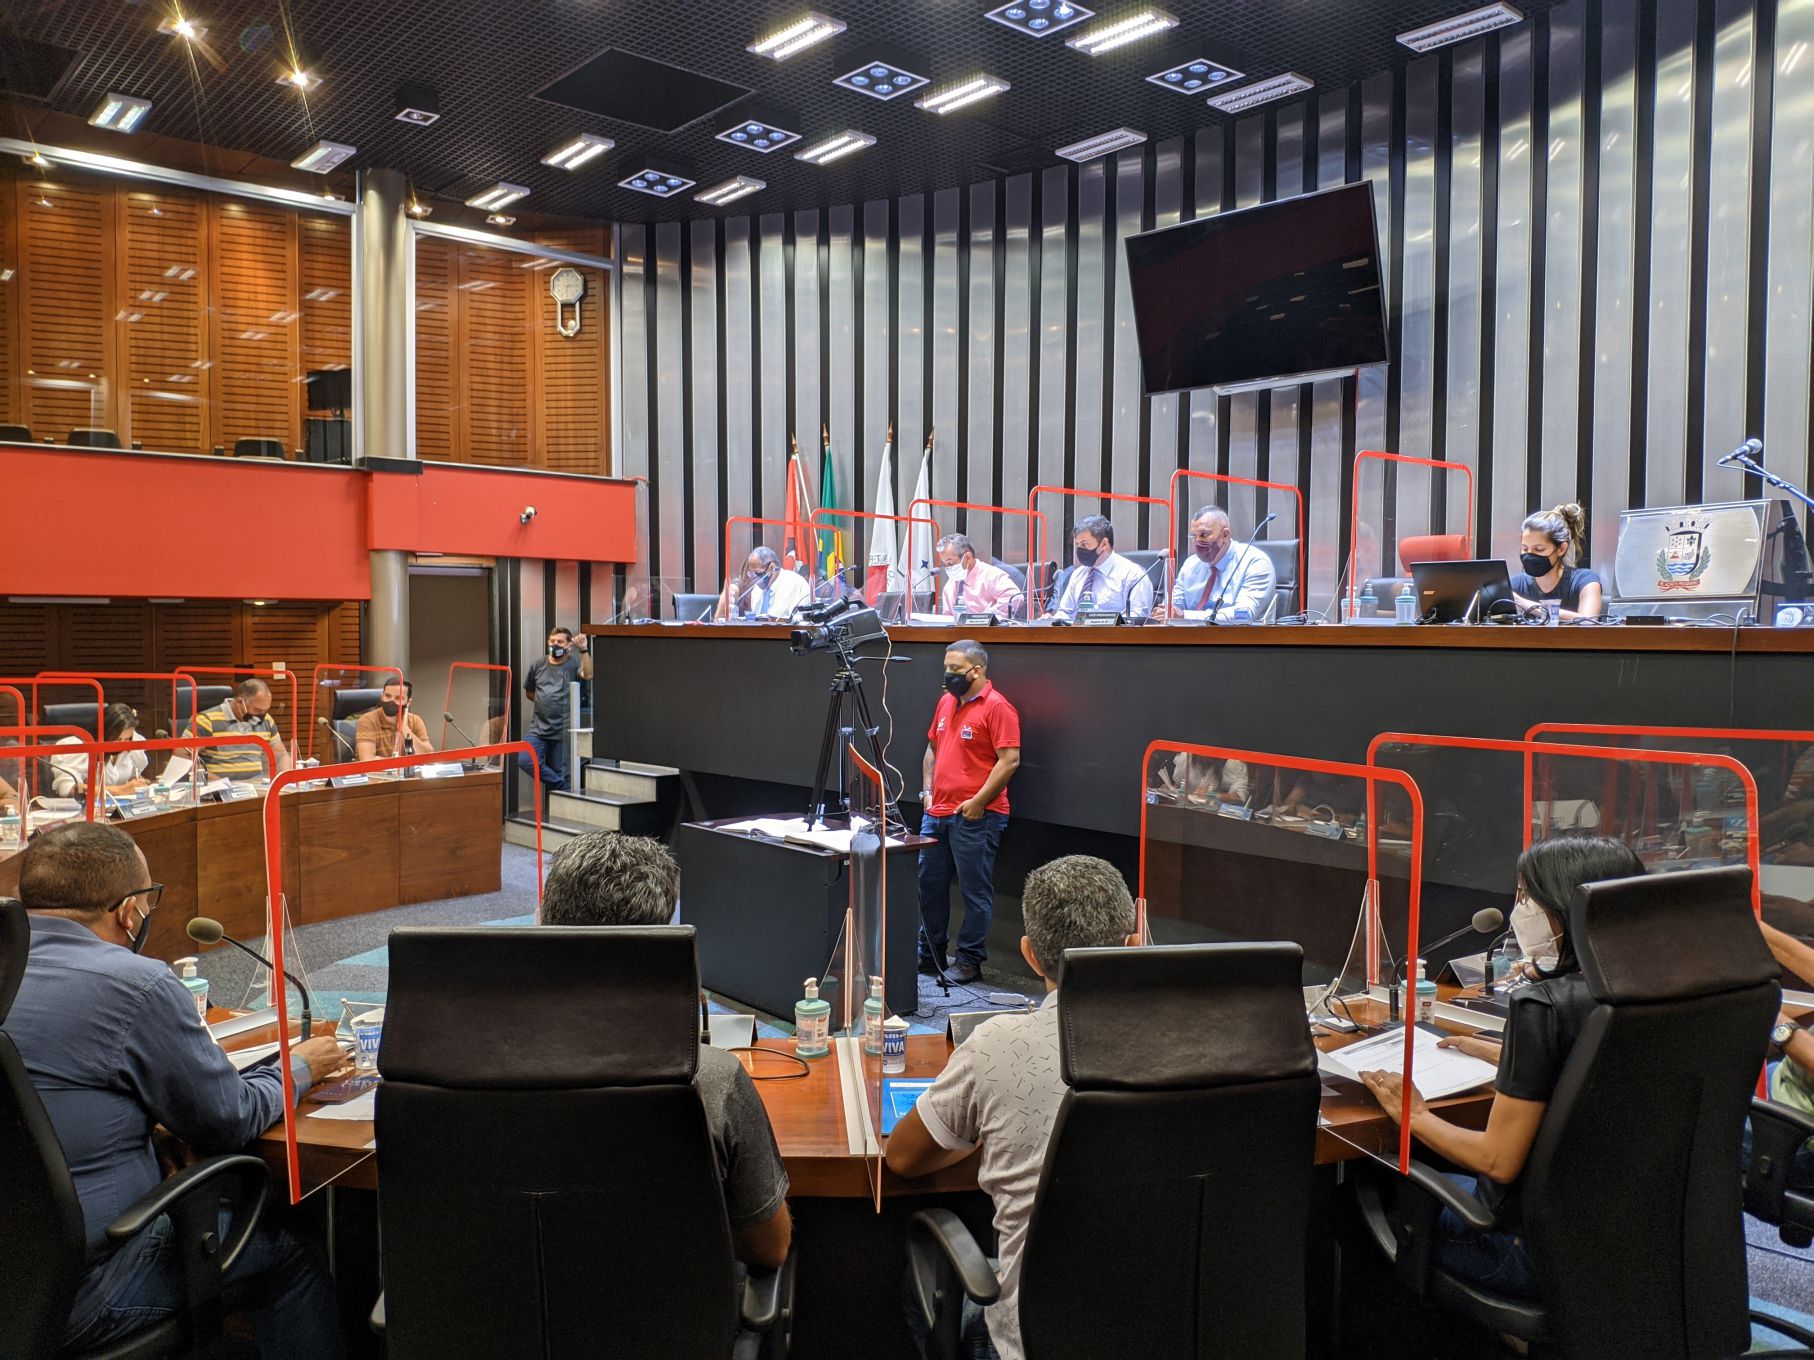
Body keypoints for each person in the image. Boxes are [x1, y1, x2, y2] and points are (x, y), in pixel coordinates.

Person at [6, 822, 348, 1356]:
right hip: (81, 1289)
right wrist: (297, 1068)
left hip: (13, 1276)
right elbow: (228, 1120)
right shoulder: (133, 984)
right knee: (292, 1253)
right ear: (129, 912)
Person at [1358, 835, 1648, 1298]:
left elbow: (1498, 1160)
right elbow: (1606, 1070)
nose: (1519, 909)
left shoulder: (1544, 1005)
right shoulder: (1661, 988)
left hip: (1526, 1250)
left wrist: (1413, 1114)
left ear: (1567, 906)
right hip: (1638, 1239)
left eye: (1527, 896)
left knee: (1360, 1195)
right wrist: (1508, 1055)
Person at [886, 854, 1140, 1360]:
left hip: (1033, 1343)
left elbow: (903, 1157)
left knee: (922, 1287)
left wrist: (991, 1143)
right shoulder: (1201, 1049)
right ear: (1134, 944)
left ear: (1030, 955)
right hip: (1182, 1328)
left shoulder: (996, 1046)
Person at [539, 829, 792, 1269]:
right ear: (661, 945)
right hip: (671, 1310)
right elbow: (768, 1248)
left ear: (543, 924)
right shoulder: (712, 1079)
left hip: (502, 1305)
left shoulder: (460, 1068)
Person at [918, 640, 1022, 985]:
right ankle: (930, 955)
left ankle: (969, 961)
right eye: (946, 668)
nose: (948, 675)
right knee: (928, 886)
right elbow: (932, 749)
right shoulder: (946, 702)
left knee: (974, 892)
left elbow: (1010, 761)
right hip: (936, 813)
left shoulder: (998, 707)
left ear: (976, 670)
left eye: (955, 669)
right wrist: (927, 791)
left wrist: (978, 802)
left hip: (978, 816)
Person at [1754, 919, 1814, 1190]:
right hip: (1788, 1086)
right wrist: (1749, 924)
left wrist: (1773, 1017)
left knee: (1689, 1129)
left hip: (1798, 1136)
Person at [1160, 506, 1277, 621]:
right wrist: (1166, 611)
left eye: (1204, 535)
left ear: (1225, 535)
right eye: (1194, 536)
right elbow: (1174, 606)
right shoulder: (1190, 564)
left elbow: (1244, 614)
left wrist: (1186, 616)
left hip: (1241, 633)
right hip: (1188, 633)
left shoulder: (1255, 562)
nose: (1197, 541)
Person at [518, 626, 591, 792]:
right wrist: (544, 701)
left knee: (561, 771)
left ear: (569, 645)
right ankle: (564, 787)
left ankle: (563, 797)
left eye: (560, 642)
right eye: (552, 641)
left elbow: (588, 674)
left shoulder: (573, 663)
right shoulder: (538, 664)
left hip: (563, 731)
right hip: (538, 729)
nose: (555, 644)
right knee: (525, 760)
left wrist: (583, 649)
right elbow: (529, 691)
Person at [1045, 516, 1153, 622]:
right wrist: (1051, 620)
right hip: (1075, 633)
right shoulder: (1078, 574)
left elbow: (1138, 618)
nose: (1079, 549)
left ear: (1104, 544)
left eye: (1084, 544)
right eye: (1077, 544)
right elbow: (1066, 612)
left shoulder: (1132, 574)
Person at [1509, 502, 1604, 620]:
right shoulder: (1516, 584)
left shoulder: (1585, 580)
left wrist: (1526, 605)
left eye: (1539, 549)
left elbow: (1589, 621)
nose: (1529, 555)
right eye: (1525, 548)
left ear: (1561, 549)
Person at [185, 678, 294, 780]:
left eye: (265, 710)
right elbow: (182, 757)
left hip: (257, 787)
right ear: (239, 702)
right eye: (258, 710)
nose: (262, 715)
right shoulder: (206, 720)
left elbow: (281, 755)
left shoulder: (267, 720)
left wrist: (284, 779)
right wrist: (215, 781)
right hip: (219, 787)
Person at [50, 701, 149, 800]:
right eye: (118, 739)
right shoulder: (77, 747)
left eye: (127, 739)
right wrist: (120, 790)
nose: (122, 744)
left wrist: (139, 783)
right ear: (106, 732)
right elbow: (70, 789)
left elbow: (131, 777)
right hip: (84, 808)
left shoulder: (125, 751)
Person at [937, 533, 1025, 621]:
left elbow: (1015, 598)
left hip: (988, 629)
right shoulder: (950, 586)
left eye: (950, 562)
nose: (948, 568)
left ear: (968, 557)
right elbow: (948, 618)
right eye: (944, 564)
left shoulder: (991, 575)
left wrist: (987, 617)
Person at [717, 546, 812, 621]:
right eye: (751, 574)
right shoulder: (757, 589)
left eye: (757, 573)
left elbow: (799, 620)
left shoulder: (795, 583)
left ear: (772, 568)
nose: (754, 578)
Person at [353, 678, 435, 760]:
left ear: (408, 702)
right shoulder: (368, 720)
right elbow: (368, 759)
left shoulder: (415, 720)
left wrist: (406, 730)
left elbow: (428, 756)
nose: (391, 701)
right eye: (387, 696)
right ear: (382, 697)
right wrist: (402, 763)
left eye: (398, 698)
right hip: (382, 770)